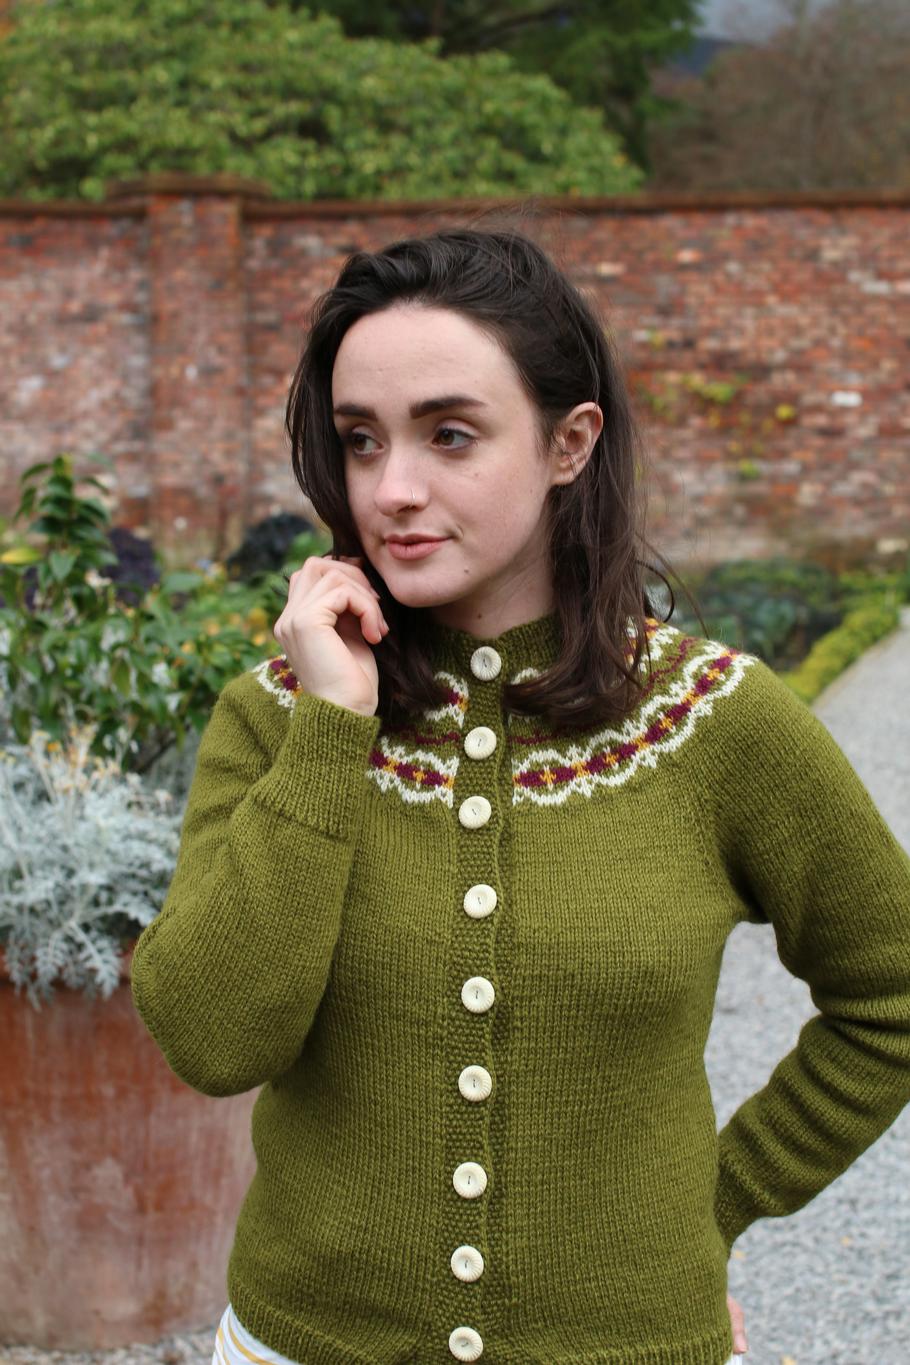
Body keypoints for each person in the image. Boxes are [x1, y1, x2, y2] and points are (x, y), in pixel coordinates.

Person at [130, 222, 910, 1365]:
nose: (391, 489)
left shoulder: (715, 723)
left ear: (567, 442)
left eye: (450, 435)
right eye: (359, 440)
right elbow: (210, 1039)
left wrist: (710, 1204)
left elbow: (889, 992)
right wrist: (331, 729)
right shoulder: (282, 715)